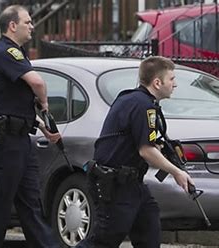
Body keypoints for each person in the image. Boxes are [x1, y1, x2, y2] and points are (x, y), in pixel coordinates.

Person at [76, 56, 195, 248]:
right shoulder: (143, 105)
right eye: (172, 79)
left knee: (149, 230)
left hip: (132, 183)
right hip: (116, 185)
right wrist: (177, 172)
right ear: (157, 82)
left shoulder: (137, 100)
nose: (175, 84)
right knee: (105, 239)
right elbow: (146, 151)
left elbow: (142, 142)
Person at [0, 5, 61, 248]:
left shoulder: (17, 53)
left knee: (31, 205)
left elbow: (11, 103)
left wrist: (41, 125)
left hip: (19, 139)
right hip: (1, 141)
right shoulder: (5, 52)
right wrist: (44, 103)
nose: (32, 26)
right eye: (28, 22)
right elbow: (37, 82)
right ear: (12, 26)